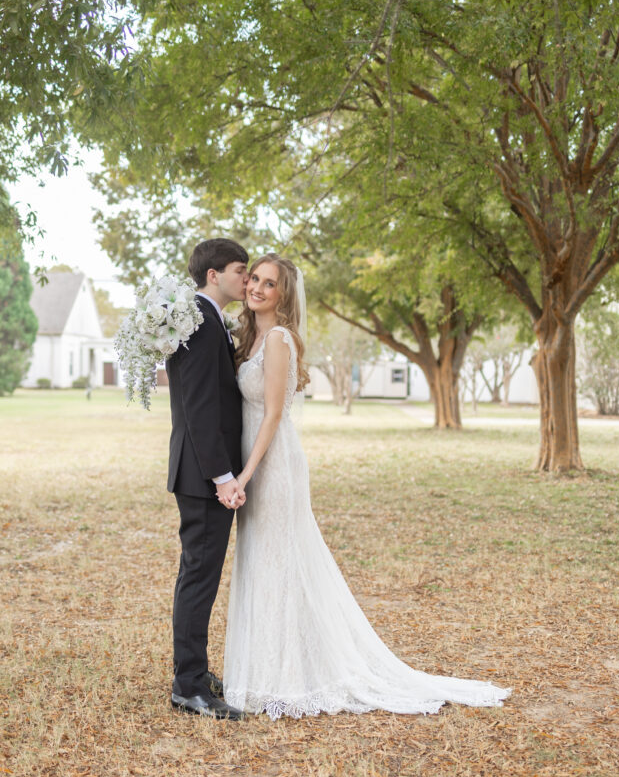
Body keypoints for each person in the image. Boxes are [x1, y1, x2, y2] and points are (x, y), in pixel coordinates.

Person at [224, 253, 511, 720]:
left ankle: (285, 678)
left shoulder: (277, 340)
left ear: (283, 294)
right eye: (253, 278)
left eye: (268, 283)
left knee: (281, 564)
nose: (256, 287)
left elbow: (274, 415)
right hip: (254, 460)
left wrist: (245, 474)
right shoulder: (249, 337)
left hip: (273, 465)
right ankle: (265, 669)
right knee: (263, 561)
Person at [166, 238, 249, 720]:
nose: (247, 278)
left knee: (195, 575)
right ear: (214, 275)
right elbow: (199, 408)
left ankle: (192, 671)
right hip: (202, 476)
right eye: (241, 269)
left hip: (199, 473)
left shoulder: (206, 319)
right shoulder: (197, 322)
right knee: (199, 578)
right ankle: (188, 686)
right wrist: (222, 476)